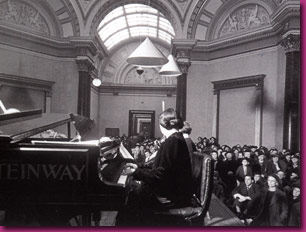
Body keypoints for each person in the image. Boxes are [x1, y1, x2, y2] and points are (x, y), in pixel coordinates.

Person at [115, 108, 194, 226]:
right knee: (133, 196)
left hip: (172, 195)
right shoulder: (175, 139)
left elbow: (160, 174)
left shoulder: (172, 142)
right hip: (174, 190)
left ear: (162, 125)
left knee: (130, 203)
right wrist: (137, 166)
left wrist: (135, 173)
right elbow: (159, 163)